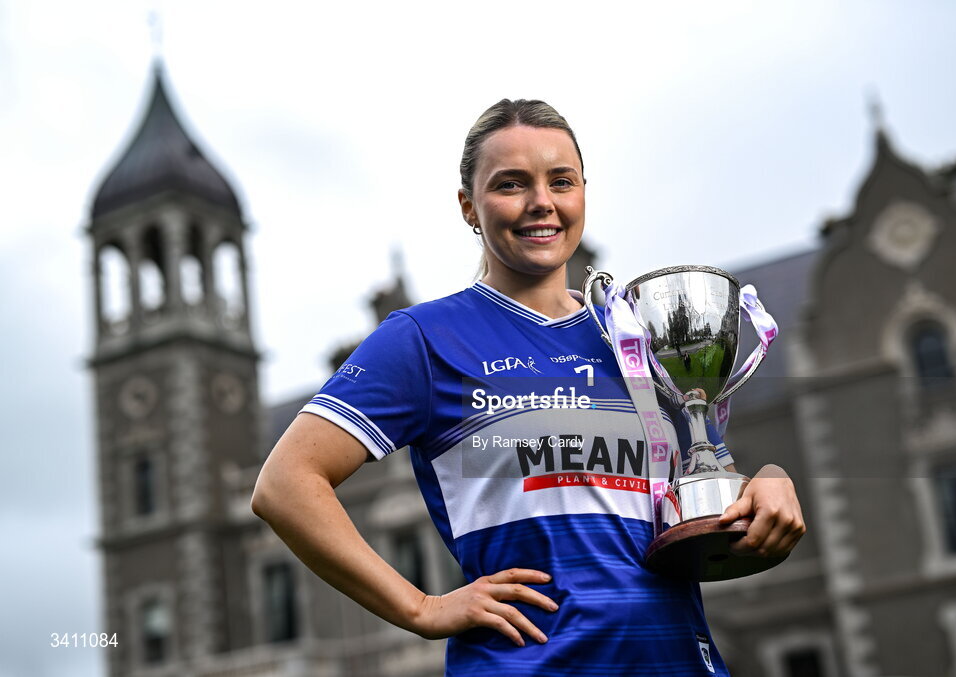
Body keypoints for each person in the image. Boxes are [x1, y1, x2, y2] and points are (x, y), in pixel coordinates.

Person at [251, 99, 806, 675]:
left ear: (583, 193)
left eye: (560, 181)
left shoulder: (638, 338)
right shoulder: (425, 339)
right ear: (469, 207)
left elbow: (701, 486)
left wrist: (767, 485)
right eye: (511, 184)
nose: (541, 202)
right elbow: (285, 485)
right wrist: (421, 607)